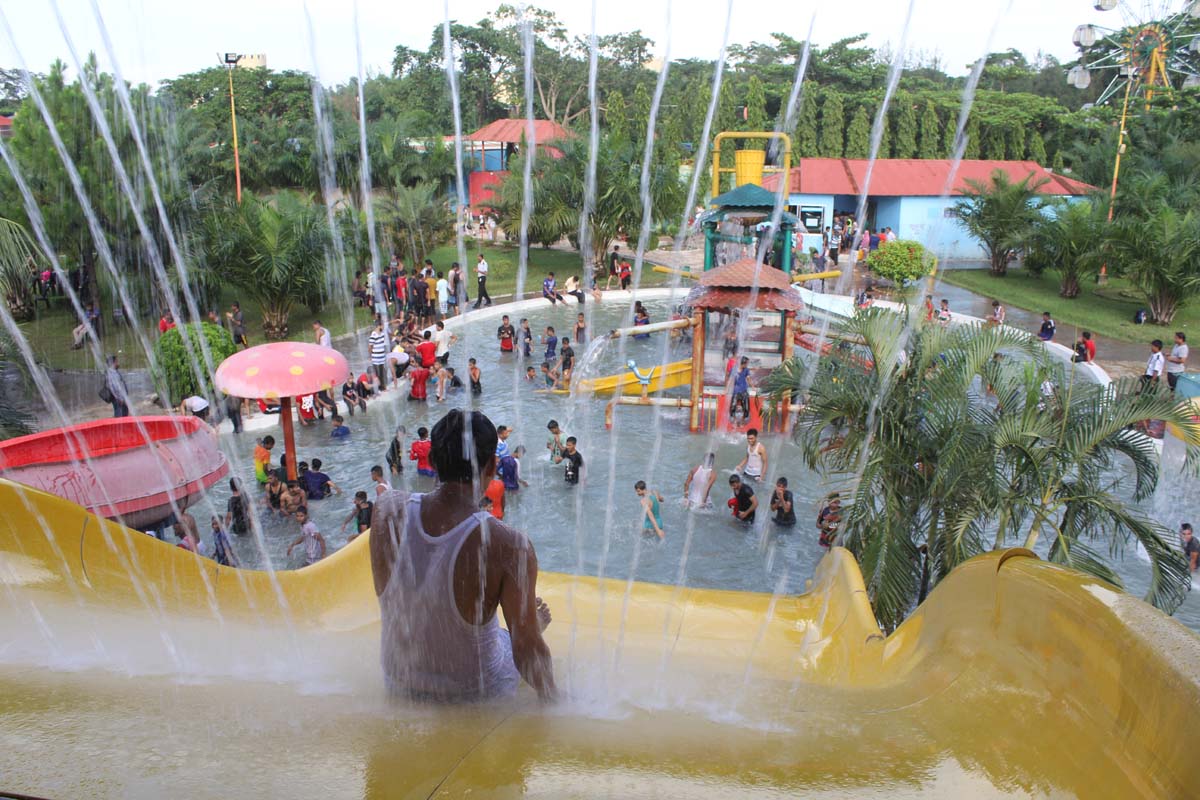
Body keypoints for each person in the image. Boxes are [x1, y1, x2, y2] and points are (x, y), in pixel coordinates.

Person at [369, 409, 556, 702]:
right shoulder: (508, 544)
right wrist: (554, 700)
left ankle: (514, 630)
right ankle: (527, 625)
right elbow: (527, 650)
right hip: (474, 692)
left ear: (432, 460)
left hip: (399, 679)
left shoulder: (387, 510)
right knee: (520, 634)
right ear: (492, 465)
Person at [368, 321, 389, 391]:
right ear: (379, 326)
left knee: (382, 372)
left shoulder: (382, 334)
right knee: (377, 373)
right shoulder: (373, 335)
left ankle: (383, 387)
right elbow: (370, 347)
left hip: (382, 357)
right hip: (376, 358)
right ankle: (379, 388)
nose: (383, 327)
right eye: (382, 326)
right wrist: (370, 356)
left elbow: (383, 344)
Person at [730, 356, 751, 423]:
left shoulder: (746, 370)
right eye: (747, 363)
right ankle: (734, 420)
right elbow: (731, 380)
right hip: (736, 391)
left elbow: (748, 379)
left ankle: (743, 420)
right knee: (732, 407)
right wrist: (727, 390)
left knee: (746, 408)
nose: (747, 365)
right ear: (743, 363)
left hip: (744, 390)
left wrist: (753, 387)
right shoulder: (734, 369)